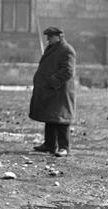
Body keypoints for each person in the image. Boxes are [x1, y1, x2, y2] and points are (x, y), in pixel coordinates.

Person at [29, 26, 76, 157]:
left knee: (62, 119)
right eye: (47, 37)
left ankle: (64, 147)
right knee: (50, 117)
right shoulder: (53, 48)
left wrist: (52, 81)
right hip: (51, 91)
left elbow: (68, 71)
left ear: (59, 37)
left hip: (61, 91)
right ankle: (49, 145)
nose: (48, 40)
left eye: (50, 37)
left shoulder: (67, 50)